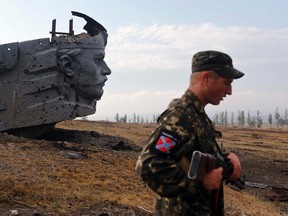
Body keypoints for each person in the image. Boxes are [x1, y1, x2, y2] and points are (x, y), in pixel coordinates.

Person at [135, 50, 243, 216]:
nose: (229, 91)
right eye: (226, 83)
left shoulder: (196, 115)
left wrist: (227, 159)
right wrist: (200, 183)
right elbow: (149, 165)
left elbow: (193, 157)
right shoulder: (180, 116)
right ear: (206, 79)